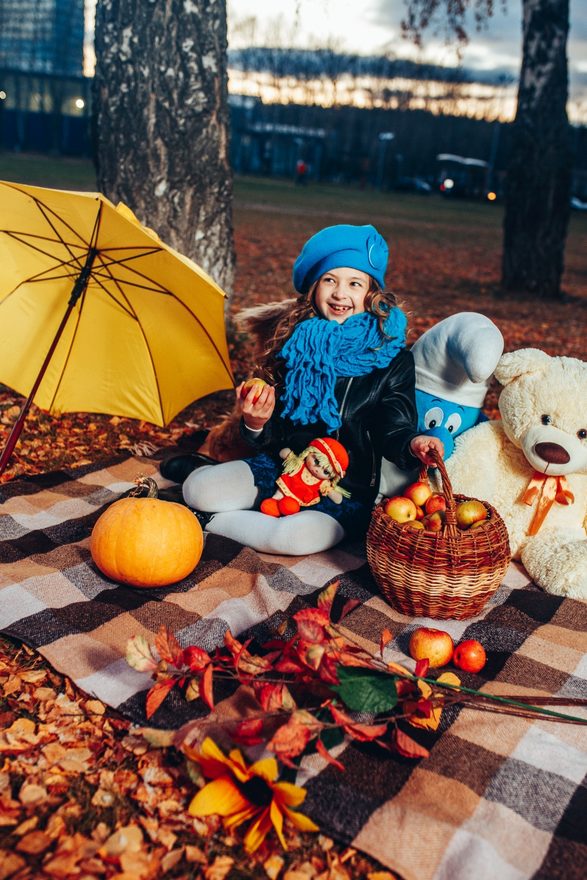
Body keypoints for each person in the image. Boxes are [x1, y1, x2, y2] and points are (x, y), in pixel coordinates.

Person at [179, 223, 444, 555]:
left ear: (371, 293)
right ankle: (215, 513)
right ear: (314, 287)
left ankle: (203, 523)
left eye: (354, 283)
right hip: (283, 466)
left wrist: (413, 442)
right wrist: (256, 423)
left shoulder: (393, 360)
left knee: (292, 538)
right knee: (197, 487)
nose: (339, 293)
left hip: (343, 489)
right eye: (329, 280)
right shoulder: (297, 343)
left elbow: (394, 428)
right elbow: (280, 432)